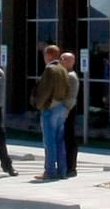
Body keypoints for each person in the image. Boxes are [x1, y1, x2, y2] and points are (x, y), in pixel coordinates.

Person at [30, 45, 70, 181]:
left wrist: (39, 105)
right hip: (61, 107)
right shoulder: (63, 69)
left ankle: (50, 171)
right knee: (59, 141)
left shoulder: (49, 69)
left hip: (50, 108)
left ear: (49, 55)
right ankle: (62, 170)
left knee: (49, 142)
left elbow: (45, 90)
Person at [58, 51, 83, 179]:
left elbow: (71, 98)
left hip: (68, 111)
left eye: (63, 59)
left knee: (69, 138)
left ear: (70, 62)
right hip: (62, 111)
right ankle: (63, 165)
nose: (60, 61)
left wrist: (64, 111)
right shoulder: (63, 74)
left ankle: (71, 167)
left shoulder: (71, 76)